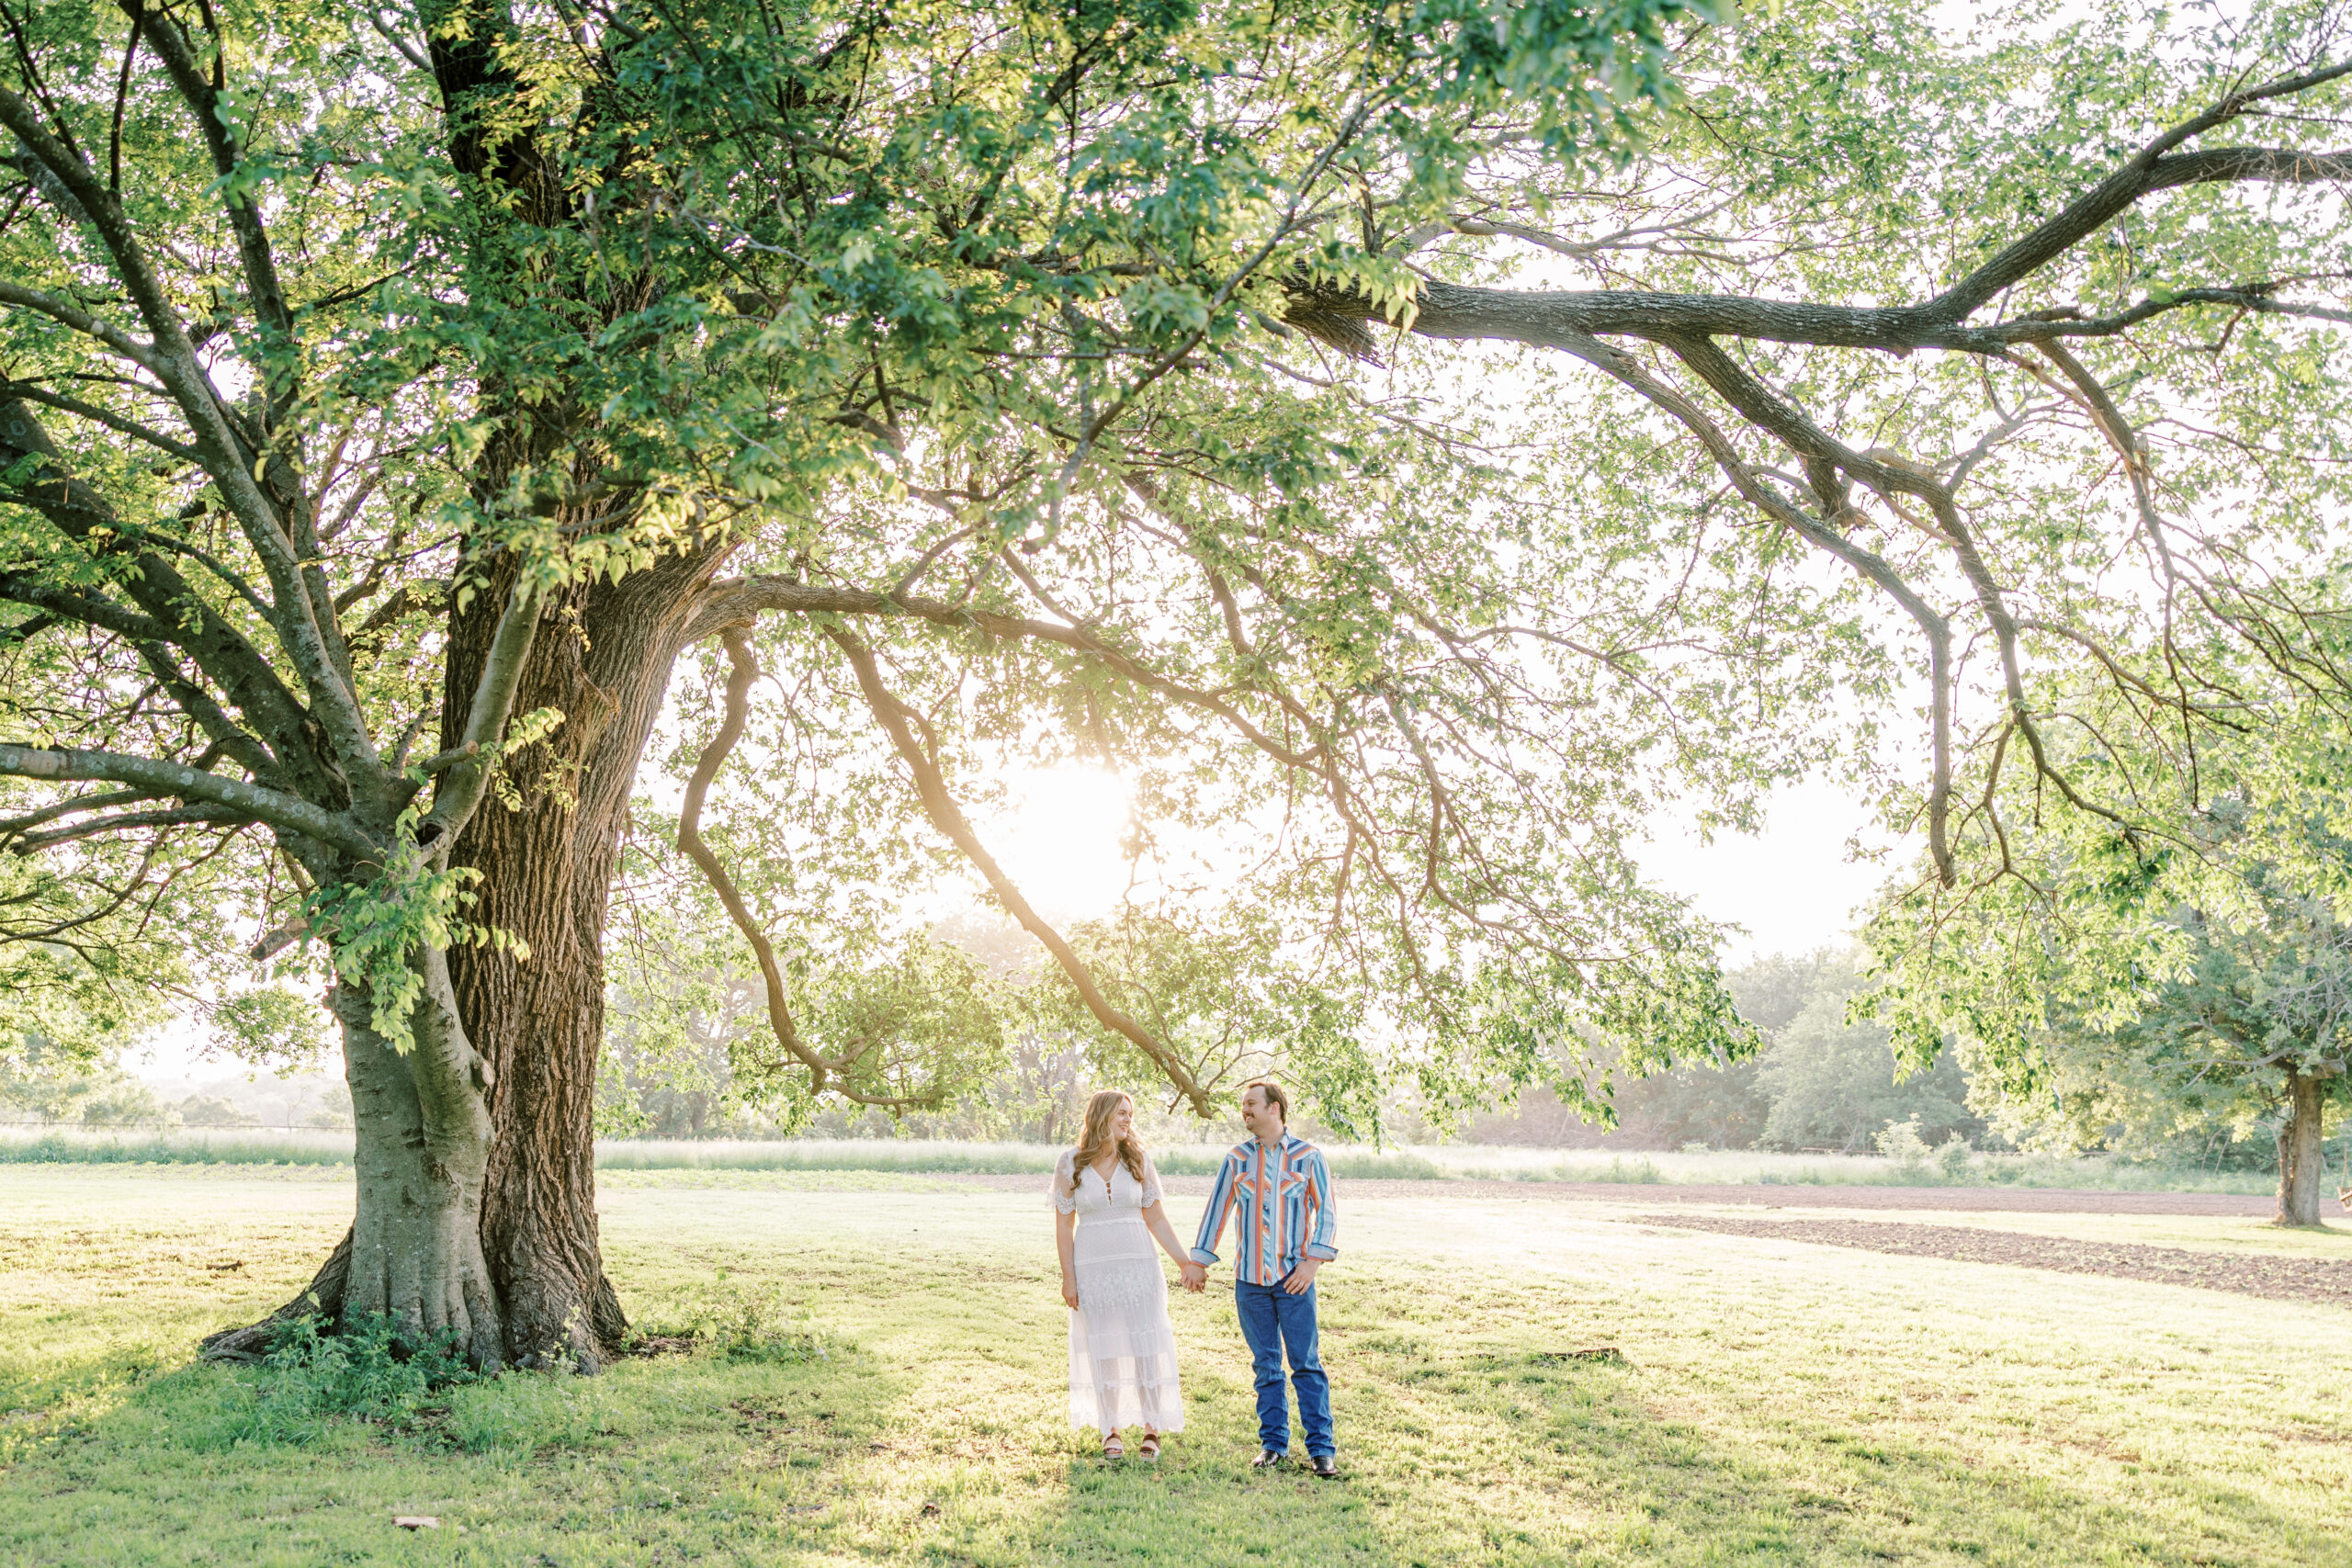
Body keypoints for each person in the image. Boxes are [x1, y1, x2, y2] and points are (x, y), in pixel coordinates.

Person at [1183, 1078, 1340, 1478]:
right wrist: (1199, 1261)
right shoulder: (1237, 1158)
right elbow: (1216, 1208)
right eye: (1243, 1105)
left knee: (1305, 1363)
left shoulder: (1308, 1157)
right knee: (1266, 1366)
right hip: (1249, 1282)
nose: (1245, 1111)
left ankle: (1322, 1450)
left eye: (1251, 1103)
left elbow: (1327, 1214)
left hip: (1294, 1280)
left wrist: (1312, 1263)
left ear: (1275, 1108)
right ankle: (1273, 1445)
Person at [1051, 1089, 1195, 1461]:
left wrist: (1184, 1262)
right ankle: (1110, 1427)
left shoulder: (1138, 1160)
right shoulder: (1070, 1163)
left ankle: (1152, 1428)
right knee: (1104, 1347)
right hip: (1092, 1268)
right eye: (1121, 1113)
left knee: (1144, 1344)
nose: (1128, 1120)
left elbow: (1156, 1217)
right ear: (1100, 1115)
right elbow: (1064, 1226)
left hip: (1139, 1265)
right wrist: (1069, 1278)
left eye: (1130, 1114)